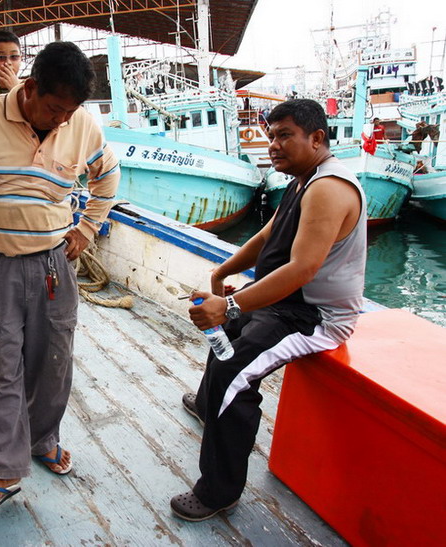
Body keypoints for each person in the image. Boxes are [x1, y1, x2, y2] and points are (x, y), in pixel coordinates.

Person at [0, 41, 120, 513]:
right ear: (30, 87)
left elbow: (108, 175)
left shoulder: (78, 123)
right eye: (55, 108)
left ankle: (42, 441)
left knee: (53, 362)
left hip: (55, 263)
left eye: (70, 111)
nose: (61, 120)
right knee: (0, 366)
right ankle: (3, 470)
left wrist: (87, 228)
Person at [170, 99, 367, 521]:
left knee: (232, 373)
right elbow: (268, 235)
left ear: (316, 138)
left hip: (313, 316)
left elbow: (303, 268)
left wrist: (232, 304)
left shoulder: (330, 188)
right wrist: (223, 273)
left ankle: (218, 492)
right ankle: (208, 405)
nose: (272, 145)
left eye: (284, 136)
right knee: (230, 335)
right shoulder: (302, 180)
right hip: (284, 301)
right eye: (270, 135)